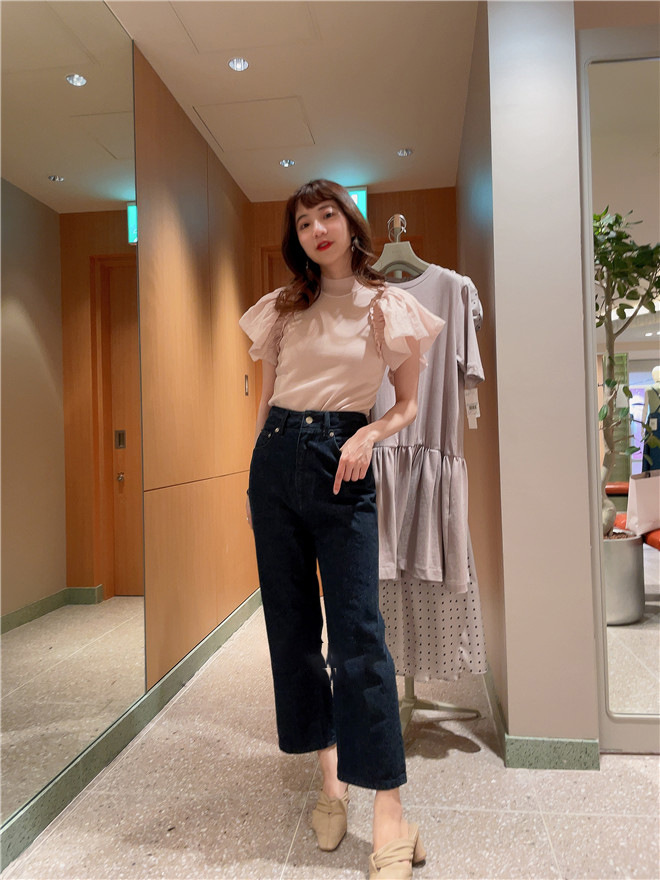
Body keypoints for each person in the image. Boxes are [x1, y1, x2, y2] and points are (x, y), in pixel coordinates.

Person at [239, 179, 444, 879]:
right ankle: (331, 780)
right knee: (292, 629)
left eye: (327, 214)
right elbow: (268, 399)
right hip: (275, 463)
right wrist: (255, 475)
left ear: (351, 224)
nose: (317, 228)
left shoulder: (388, 305)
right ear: (296, 239)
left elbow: (408, 403)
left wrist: (368, 435)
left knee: (359, 634)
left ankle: (390, 810)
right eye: (303, 222)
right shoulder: (284, 308)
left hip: (343, 460)